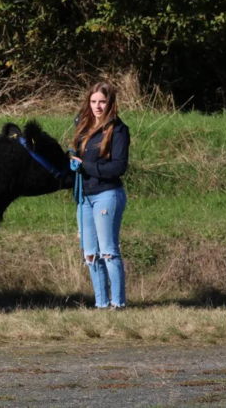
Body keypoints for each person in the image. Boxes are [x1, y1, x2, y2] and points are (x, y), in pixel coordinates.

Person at [70, 82, 130, 309]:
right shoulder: (83, 126)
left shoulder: (119, 130)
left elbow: (118, 168)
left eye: (102, 102)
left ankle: (118, 304)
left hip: (107, 194)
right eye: (93, 101)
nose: (97, 106)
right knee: (90, 254)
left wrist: (86, 166)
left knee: (108, 252)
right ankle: (101, 304)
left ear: (110, 103)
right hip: (84, 196)